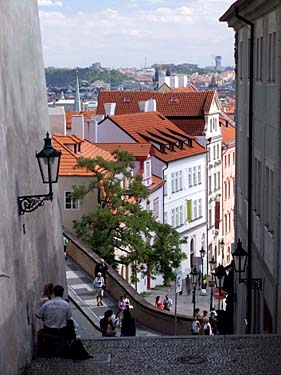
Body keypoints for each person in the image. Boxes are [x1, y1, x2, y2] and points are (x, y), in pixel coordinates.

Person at [37, 285, 92, 359]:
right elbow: (69, 317)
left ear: (54, 293)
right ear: (62, 293)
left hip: (48, 329)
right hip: (61, 330)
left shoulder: (47, 304)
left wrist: (47, 318)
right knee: (70, 323)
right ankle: (71, 343)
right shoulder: (65, 304)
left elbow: (38, 315)